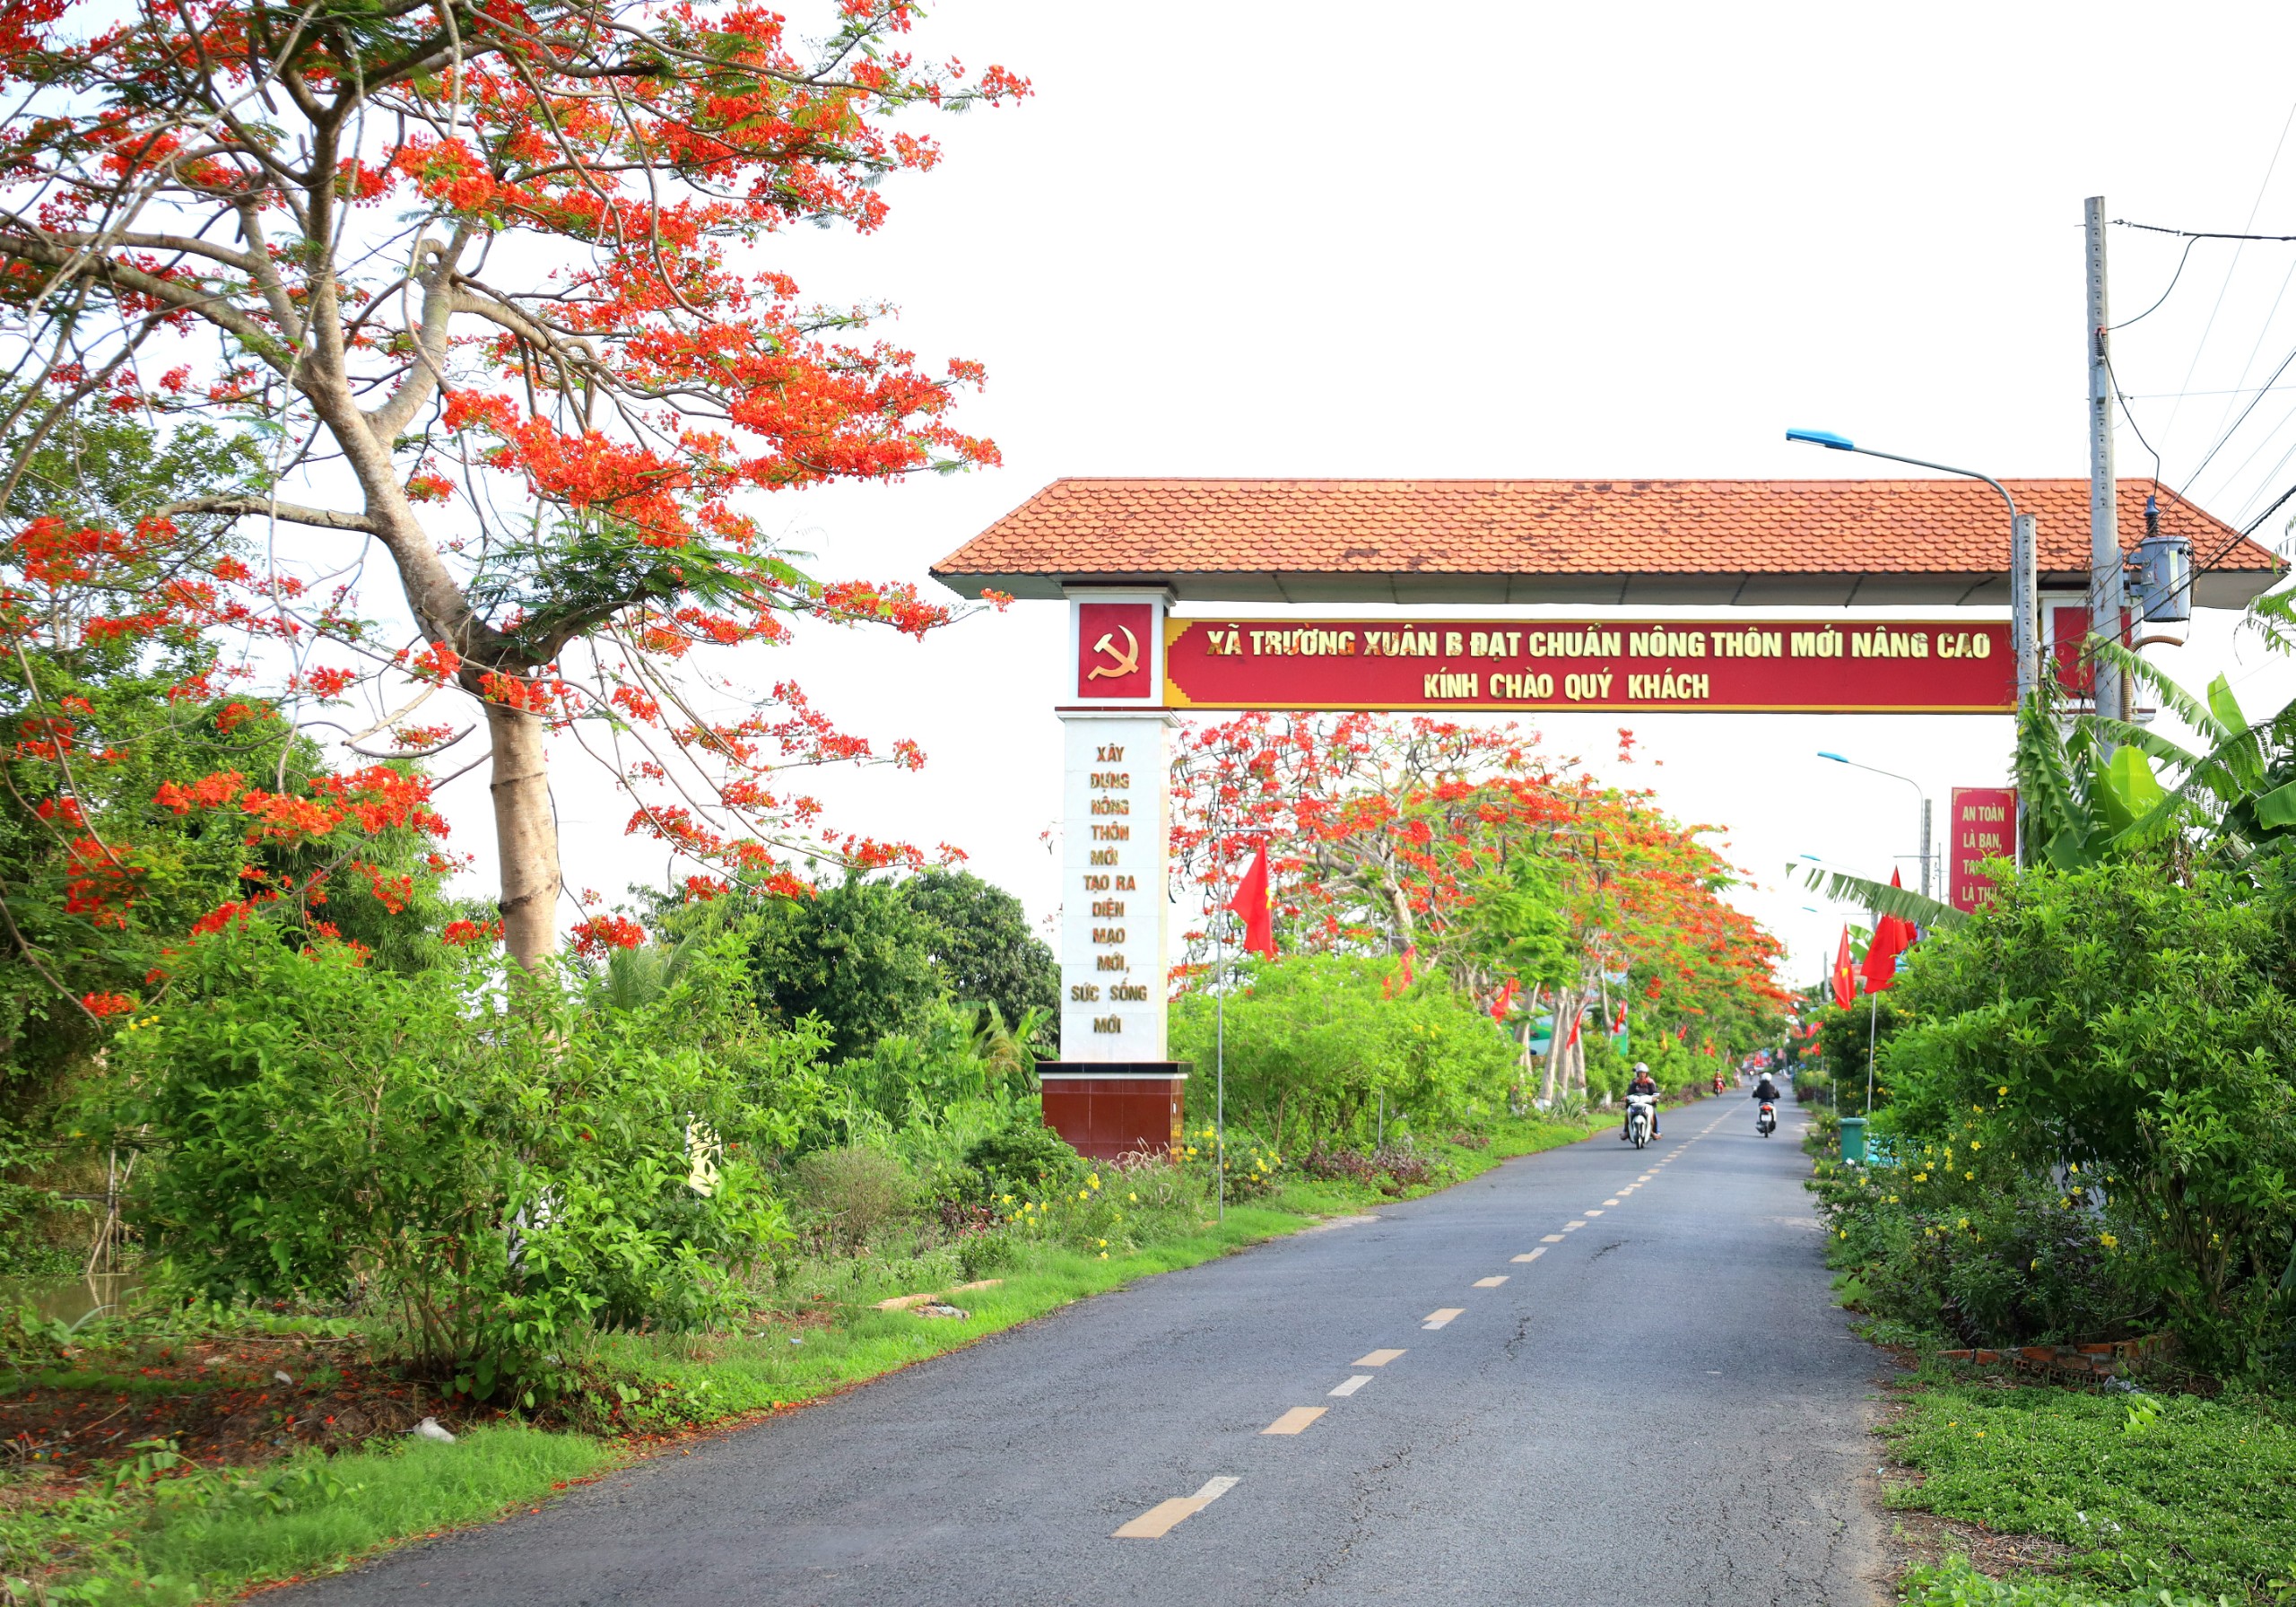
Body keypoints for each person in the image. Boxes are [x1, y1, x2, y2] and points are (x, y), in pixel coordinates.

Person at [1622, 1062, 1661, 1140]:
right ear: (1637, 1074)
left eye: (1644, 1073)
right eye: (1640, 1073)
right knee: (1628, 1113)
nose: (1642, 1075)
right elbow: (1629, 1093)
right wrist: (1626, 1098)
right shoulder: (1634, 1082)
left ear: (1646, 1074)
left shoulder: (1650, 1082)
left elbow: (1655, 1093)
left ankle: (1656, 1132)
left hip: (1647, 1104)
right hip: (1635, 1104)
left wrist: (1654, 1098)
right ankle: (1626, 1131)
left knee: (1654, 1113)